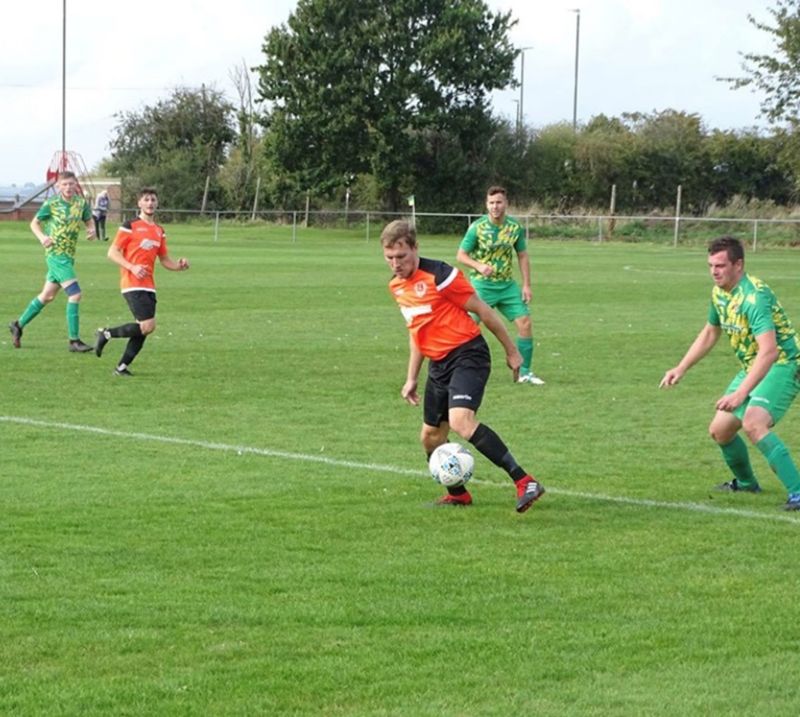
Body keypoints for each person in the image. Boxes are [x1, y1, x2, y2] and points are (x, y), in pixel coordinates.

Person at [381, 218, 545, 512]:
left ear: (416, 248)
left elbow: (483, 310)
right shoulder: (396, 287)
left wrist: (511, 351)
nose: (395, 263)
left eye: (401, 256)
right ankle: (458, 493)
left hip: (468, 354)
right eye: (389, 257)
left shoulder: (441, 275)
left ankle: (524, 481)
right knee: (430, 437)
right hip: (439, 363)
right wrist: (411, 378)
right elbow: (417, 332)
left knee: (460, 422)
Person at [660, 236, 800, 511]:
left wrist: (740, 393)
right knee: (720, 431)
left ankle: (798, 491)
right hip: (754, 364)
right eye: (711, 265)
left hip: (784, 363)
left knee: (753, 422)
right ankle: (747, 484)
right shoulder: (720, 293)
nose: (714, 271)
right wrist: (681, 366)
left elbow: (770, 351)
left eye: (721, 265)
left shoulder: (754, 297)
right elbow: (711, 331)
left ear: (739, 264)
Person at [94, 187, 189, 376]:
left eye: (153, 199)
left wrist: (179, 266)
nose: (150, 203)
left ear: (157, 203)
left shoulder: (159, 231)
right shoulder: (130, 226)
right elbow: (112, 252)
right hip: (132, 283)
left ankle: (121, 367)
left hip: (149, 285)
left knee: (144, 329)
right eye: (146, 199)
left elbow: (164, 260)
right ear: (139, 203)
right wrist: (132, 267)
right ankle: (106, 334)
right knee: (148, 325)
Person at [457, 185, 544, 386]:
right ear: (486, 205)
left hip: (507, 287)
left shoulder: (514, 228)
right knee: (466, 328)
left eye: (499, 202)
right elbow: (461, 255)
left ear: (506, 204)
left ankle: (524, 372)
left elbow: (522, 255)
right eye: (491, 203)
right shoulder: (477, 227)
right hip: (482, 287)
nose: (495, 206)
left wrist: (526, 285)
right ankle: (456, 369)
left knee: (525, 323)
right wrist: (478, 266)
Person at [8, 170, 96, 352]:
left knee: (47, 296)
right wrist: (42, 238)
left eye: (71, 184)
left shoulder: (80, 203)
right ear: (58, 186)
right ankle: (74, 341)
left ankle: (18, 324)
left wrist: (91, 230)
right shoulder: (52, 203)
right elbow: (34, 223)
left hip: (69, 255)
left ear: (75, 184)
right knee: (75, 294)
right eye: (64, 184)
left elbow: (88, 220)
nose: (68, 187)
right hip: (56, 254)